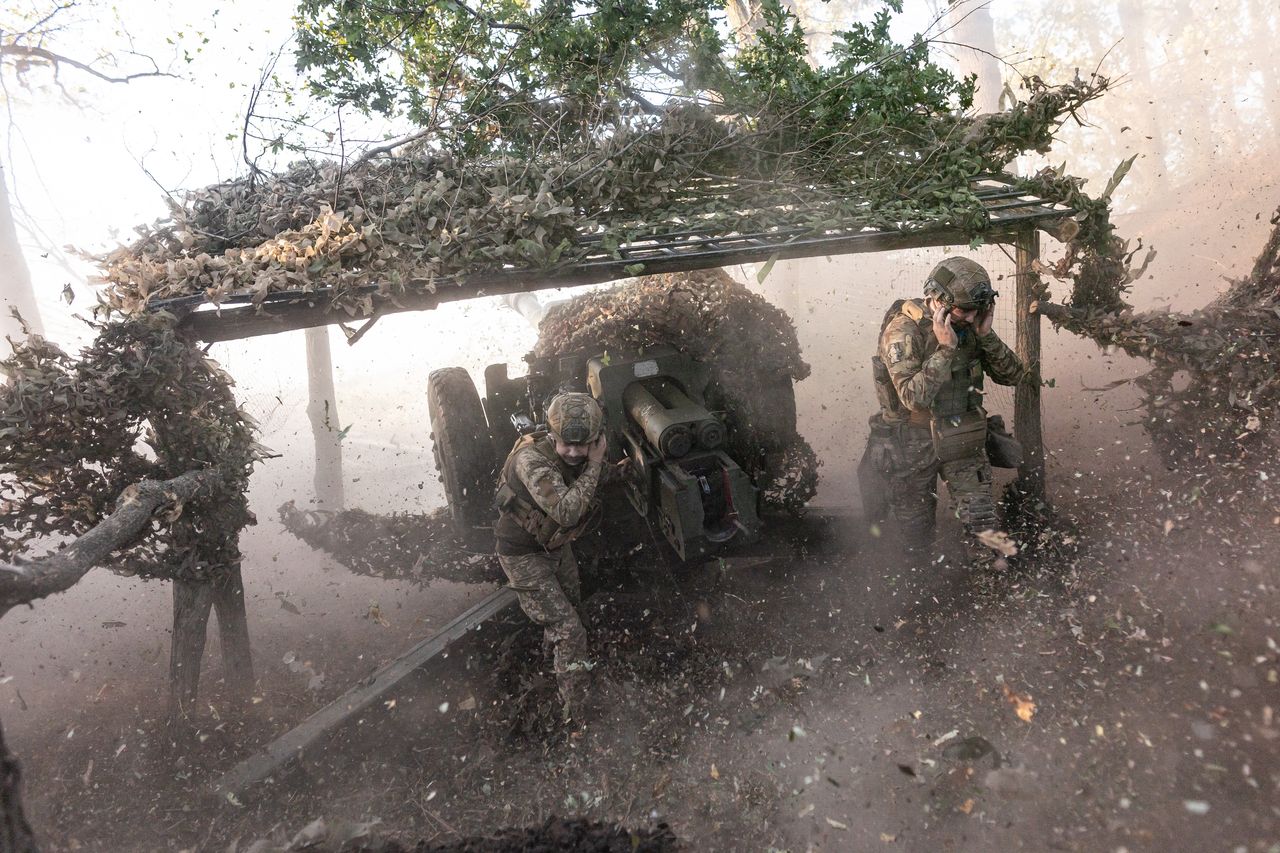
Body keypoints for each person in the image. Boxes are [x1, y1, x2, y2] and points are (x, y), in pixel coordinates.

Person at [861, 257, 1029, 565]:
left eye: (976, 310)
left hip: (962, 436)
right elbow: (913, 398)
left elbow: (1014, 376)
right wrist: (945, 349)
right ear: (937, 299)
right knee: (916, 531)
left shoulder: (972, 325)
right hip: (913, 441)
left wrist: (986, 336)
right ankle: (922, 590)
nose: (969, 317)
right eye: (963, 310)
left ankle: (993, 587)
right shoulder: (903, 331)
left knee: (982, 523)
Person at [493, 391, 607, 721]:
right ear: (552, 435)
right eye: (565, 445)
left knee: (572, 609)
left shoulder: (580, 451)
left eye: (582, 445)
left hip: (555, 548)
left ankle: (555, 665)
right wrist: (596, 462)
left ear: (595, 438)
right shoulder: (532, 460)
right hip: (523, 556)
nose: (573, 453)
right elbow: (567, 511)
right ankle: (576, 714)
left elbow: (593, 478)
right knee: (569, 629)